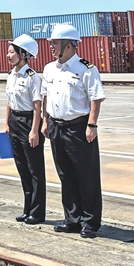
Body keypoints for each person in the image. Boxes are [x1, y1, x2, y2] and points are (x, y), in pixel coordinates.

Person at [41, 23, 105, 238]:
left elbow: (95, 98)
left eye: (55, 43)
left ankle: (89, 223)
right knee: (65, 175)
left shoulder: (87, 68)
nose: (51, 46)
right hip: (56, 126)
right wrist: (45, 121)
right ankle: (72, 219)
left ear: (69, 45)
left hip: (79, 127)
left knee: (87, 176)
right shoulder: (50, 68)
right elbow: (46, 96)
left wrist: (92, 125)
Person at [4, 34, 45, 224]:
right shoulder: (11, 75)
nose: (8, 55)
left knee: (35, 170)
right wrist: (6, 123)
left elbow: (38, 106)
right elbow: (9, 103)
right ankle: (27, 209)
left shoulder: (33, 77)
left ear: (23, 55)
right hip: (14, 122)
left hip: (29, 123)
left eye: (12, 52)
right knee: (22, 169)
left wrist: (34, 131)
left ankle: (37, 213)